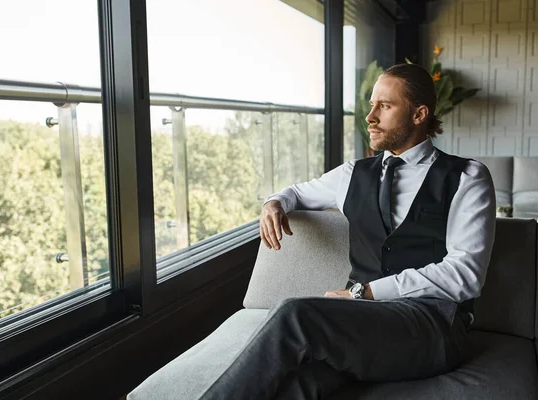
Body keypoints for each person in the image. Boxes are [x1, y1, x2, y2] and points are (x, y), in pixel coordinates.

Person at [199, 63, 496, 399]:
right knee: (298, 386)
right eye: (371, 105)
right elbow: (297, 192)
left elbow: (465, 274)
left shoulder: (467, 177)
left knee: (295, 314)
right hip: (363, 323)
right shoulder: (354, 173)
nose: (370, 117)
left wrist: (365, 292)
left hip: (431, 323)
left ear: (419, 114)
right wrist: (274, 203)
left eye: (384, 106)